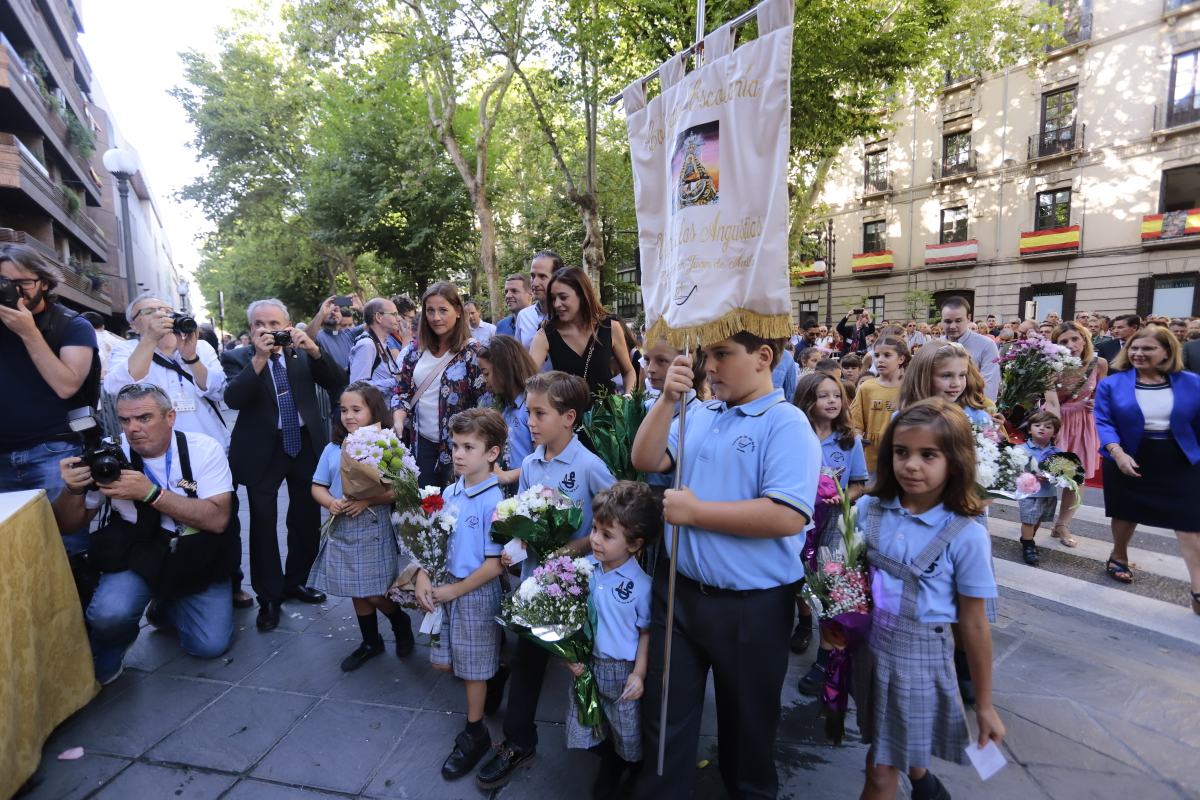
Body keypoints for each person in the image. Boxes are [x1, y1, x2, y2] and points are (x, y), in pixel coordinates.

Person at [628, 330, 818, 799]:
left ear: (763, 357)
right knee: (666, 716)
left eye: (722, 354)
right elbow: (645, 457)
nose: (708, 366)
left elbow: (787, 514)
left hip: (751, 607)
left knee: (748, 726)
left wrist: (697, 513)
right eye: (706, 355)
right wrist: (668, 400)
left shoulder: (786, 422)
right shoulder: (701, 412)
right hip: (680, 595)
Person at [853, 399, 1003, 800]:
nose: (911, 465)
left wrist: (984, 704)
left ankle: (915, 779)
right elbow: (846, 575)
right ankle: (924, 782)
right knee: (889, 735)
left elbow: (973, 622)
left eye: (928, 455)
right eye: (901, 452)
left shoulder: (966, 534)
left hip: (920, 660)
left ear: (955, 461)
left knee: (879, 771)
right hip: (870, 648)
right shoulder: (869, 508)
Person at [475, 371, 616, 790]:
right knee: (527, 660)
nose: (530, 423)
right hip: (536, 584)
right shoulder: (532, 464)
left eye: (540, 413)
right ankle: (518, 740)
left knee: (586, 670)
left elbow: (612, 526)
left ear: (569, 417)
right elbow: (530, 518)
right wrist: (516, 544)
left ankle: (608, 751)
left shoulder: (590, 466)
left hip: (577, 588)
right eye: (528, 413)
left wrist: (573, 550)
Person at [51, 384, 237, 684]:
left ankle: (166, 605)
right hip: (137, 550)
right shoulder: (109, 454)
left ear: (170, 417)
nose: (133, 429)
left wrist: (151, 494)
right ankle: (110, 650)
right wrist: (72, 490)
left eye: (144, 418)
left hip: (193, 552)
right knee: (109, 614)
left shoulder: (203, 449)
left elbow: (218, 520)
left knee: (208, 645)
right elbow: (68, 525)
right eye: (125, 420)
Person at [222, 299, 348, 632]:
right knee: (263, 523)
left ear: (288, 325)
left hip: (304, 444)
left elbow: (337, 381)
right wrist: (260, 359)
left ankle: (296, 581)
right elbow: (233, 398)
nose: (268, 330)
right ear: (251, 329)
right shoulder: (237, 357)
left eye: (274, 324)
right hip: (262, 449)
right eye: (260, 324)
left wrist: (316, 350)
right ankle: (269, 596)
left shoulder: (302, 350)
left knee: (306, 517)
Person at [415, 408, 508, 780]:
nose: (457, 453)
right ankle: (493, 673)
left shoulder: (495, 501)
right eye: (455, 445)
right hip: (447, 586)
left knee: (470, 669)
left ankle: (476, 733)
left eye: (469, 446)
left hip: (473, 592)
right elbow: (434, 541)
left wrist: (453, 589)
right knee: (449, 661)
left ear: (492, 453)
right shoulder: (450, 491)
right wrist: (423, 574)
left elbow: (494, 565)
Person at [0, 243, 99, 550]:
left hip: (54, 454)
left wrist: (29, 333)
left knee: (65, 549)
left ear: (43, 282)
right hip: (1, 457)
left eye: (23, 283)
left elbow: (67, 385)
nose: (15, 292)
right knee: (12, 552)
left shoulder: (73, 326)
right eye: (5, 283)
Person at [1095, 326, 1200, 612]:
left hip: (1179, 460)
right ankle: (1118, 554)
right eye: (1134, 348)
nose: (1138, 353)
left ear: (1167, 351)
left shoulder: (1192, 382)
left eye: (1147, 348)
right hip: (1129, 455)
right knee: (1126, 513)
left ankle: (1198, 590)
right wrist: (1117, 453)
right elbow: (1104, 423)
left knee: (1190, 523)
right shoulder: (1112, 384)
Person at [308, 382, 412, 670]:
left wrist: (368, 501)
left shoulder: (385, 445)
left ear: (373, 411)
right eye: (343, 410)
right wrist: (330, 502)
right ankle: (371, 641)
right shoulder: (332, 449)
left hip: (373, 526)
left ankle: (398, 620)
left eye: (356, 409)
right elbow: (317, 486)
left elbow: (401, 489)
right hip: (342, 526)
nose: (349, 416)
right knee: (355, 588)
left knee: (374, 590)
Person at [566, 481, 660, 797]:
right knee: (594, 722)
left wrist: (640, 672)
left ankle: (632, 766)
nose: (594, 540)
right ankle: (610, 762)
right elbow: (573, 618)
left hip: (623, 671)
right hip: (589, 664)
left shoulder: (642, 586)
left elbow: (645, 632)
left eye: (607, 535)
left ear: (634, 544)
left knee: (627, 728)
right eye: (594, 530)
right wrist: (572, 656)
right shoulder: (584, 570)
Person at [792, 372, 868, 695]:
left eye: (836, 395)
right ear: (808, 399)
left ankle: (825, 655)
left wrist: (844, 496)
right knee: (799, 577)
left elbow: (859, 483)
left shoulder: (849, 440)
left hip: (834, 521)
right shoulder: (794, 434)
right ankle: (803, 622)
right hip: (798, 520)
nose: (832, 402)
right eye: (824, 396)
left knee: (829, 583)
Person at [393, 282, 487, 488]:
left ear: (458, 312)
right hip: (422, 443)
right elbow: (402, 392)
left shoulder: (472, 353)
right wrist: (399, 418)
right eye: (430, 311)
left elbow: (485, 403)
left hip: (460, 447)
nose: (436, 317)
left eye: (443, 310)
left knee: (455, 510)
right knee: (426, 506)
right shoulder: (414, 351)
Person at [107, 293, 228, 450]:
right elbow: (115, 387)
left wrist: (191, 358)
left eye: (166, 310)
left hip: (208, 445)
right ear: (134, 327)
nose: (161, 314)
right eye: (149, 311)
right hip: (155, 451)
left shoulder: (201, 347)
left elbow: (219, 392)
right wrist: (150, 339)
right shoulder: (126, 350)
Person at [1042, 321, 1107, 546]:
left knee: (1075, 479)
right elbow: (1051, 401)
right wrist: (1055, 430)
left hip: (1083, 424)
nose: (1071, 345)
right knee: (1045, 475)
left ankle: (1062, 525)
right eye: (1063, 341)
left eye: (1075, 339)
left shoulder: (1100, 364)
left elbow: (1103, 394)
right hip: (1056, 420)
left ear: (1084, 338)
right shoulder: (1051, 366)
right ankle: (1030, 525)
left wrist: (1097, 403)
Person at [529, 267, 636, 399]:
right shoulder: (545, 335)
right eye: (553, 298)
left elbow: (628, 371)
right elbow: (529, 380)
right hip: (567, 416)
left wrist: (628, 397)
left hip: (608, 415)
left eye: (563, 297)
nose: (556, 304)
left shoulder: (611, 327)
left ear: (582, 295)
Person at [477, 335, 537, 487]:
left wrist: (509, 476)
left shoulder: (530, 408)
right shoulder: (503, 405)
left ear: (503, 369)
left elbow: (543, 460)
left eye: (486, 373)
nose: (485, 381)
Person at [849, 335, 909, 474]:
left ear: (901, 358)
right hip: (871, 459)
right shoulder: (867, 387)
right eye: (876, 355)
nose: (880, 360)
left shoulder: (909, 387)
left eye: (887, 355)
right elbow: (855, 423)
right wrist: (857, 438)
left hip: (900, 457)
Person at [1016, 411, 1063, 566]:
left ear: (1054, 432)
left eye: (1048, 427)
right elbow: (1015, 468)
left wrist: (1054, 475)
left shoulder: (1057, 453)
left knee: (1038, 519)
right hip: (1029, 493)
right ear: (1030, 429)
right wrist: (1030, 474)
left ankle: (1028, 538)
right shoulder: (1022, 449)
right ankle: (1028, 546)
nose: (1042, 429)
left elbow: (1062, 472)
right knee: (1029, 520)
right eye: (1037, 425)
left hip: (1048, 492)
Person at [939, 295, 1001, 401]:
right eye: (948, 321)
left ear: (968, 318)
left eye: (958, 321)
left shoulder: (987, 345)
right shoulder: (935, 345)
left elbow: (990, 385)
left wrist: (983, 413)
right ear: (941, 320)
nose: (953, 326)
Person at [349, 297, 403, 394]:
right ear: (378, 317)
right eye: (394, 314)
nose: (399, 319)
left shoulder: (382, 343)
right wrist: (395, 381)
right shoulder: (367, 345)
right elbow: (356, 387)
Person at [516, 251, 562, 349]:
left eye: (542, 276)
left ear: (558, 278)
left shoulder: (568, 315)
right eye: (533, 276)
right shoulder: (524, 316)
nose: (535, 283)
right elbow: (519, 358)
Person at [310, 295, 365, 370]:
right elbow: (305, 339)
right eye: (329, 311)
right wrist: (320, 314)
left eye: (336, 310)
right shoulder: (317, 337)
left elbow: (373, 323)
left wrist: (362, 309)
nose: (333, 313)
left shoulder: (349, 333)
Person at [80, 311, 124, 379]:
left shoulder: (85, 339)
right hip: (121, 380)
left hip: (99, 381)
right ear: (103, 326)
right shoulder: (120, 341)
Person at [496, 273, 533, 339]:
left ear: (531, 294)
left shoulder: (540, 323)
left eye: (514, 291)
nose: (508, 296)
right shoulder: (502, 325)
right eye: (506, 291)